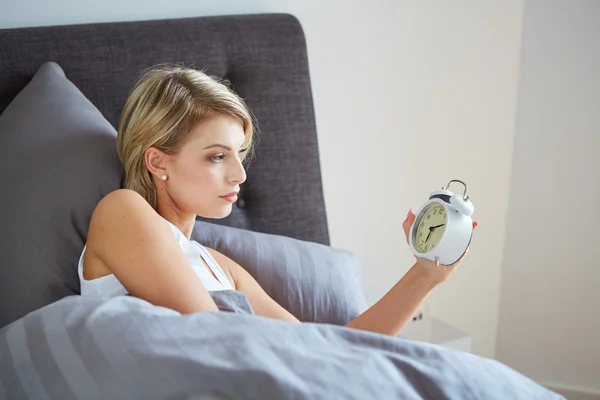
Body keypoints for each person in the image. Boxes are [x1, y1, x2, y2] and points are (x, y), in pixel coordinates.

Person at [78, 65, 478, 337]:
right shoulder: (121, 210)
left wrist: (425, 275)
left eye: (239, 154)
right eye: (217, 156)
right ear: (157, 161)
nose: (240, 174)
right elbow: (217, 341)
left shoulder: (217, 267)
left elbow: (316, 349)